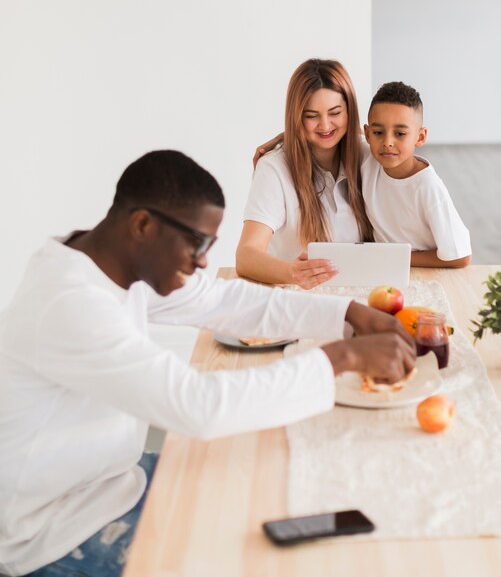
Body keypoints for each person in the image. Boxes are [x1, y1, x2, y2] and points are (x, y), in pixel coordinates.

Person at [0, 150, 415, 576]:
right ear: (142, 225)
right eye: (198, 243)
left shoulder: (106, 262)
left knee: (267, 494)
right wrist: (341, 357)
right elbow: (197, 407)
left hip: (112, 483)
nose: (201, 262)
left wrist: (345, 313)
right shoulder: (71, 303)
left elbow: (221, 299)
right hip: (51, 535)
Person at [236, 59, 373, 290]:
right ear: (296, 116)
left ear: (349, 111)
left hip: (363, 293)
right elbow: (246, 255)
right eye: (311, 116)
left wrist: (285, 135)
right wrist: (292, 272)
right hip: (297, 298)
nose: (325, 125)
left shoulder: (366, 154)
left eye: (335, 112)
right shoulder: (274, 168)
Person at [362, 81, 471, 267]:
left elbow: (460, 257)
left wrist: (394, 259)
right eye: (378, 132)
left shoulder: (427, 187)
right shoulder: (368, 161)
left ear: (420, 137)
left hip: (421, 271)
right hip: (383, 271)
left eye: (400, 134)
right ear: (367, 133)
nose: (387, 142)